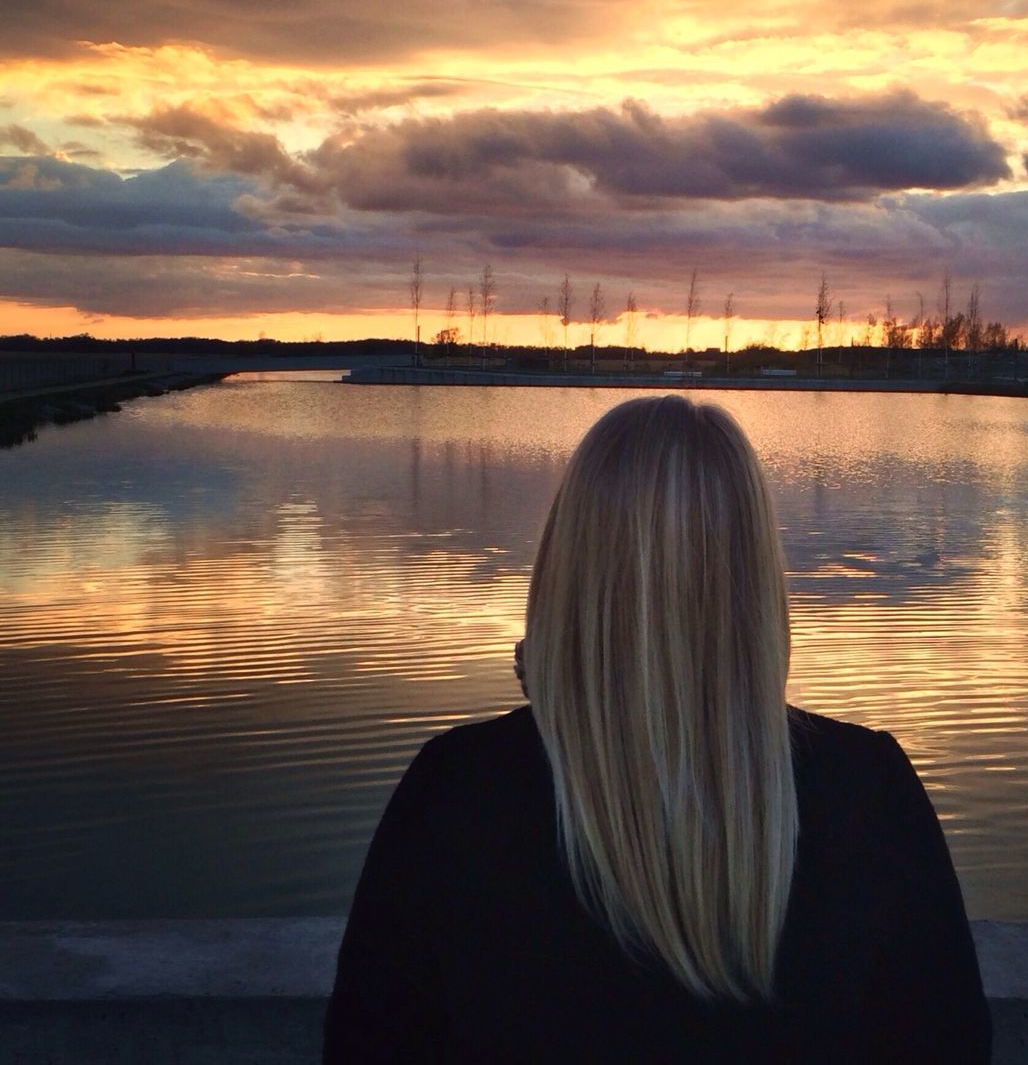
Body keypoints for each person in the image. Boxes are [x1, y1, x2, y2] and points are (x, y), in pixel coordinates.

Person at [324, 395, 991, 1062]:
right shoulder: (867, 790)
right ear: (754, 576)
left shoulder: (456, 792)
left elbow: (369, 1043)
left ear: (568, 561)